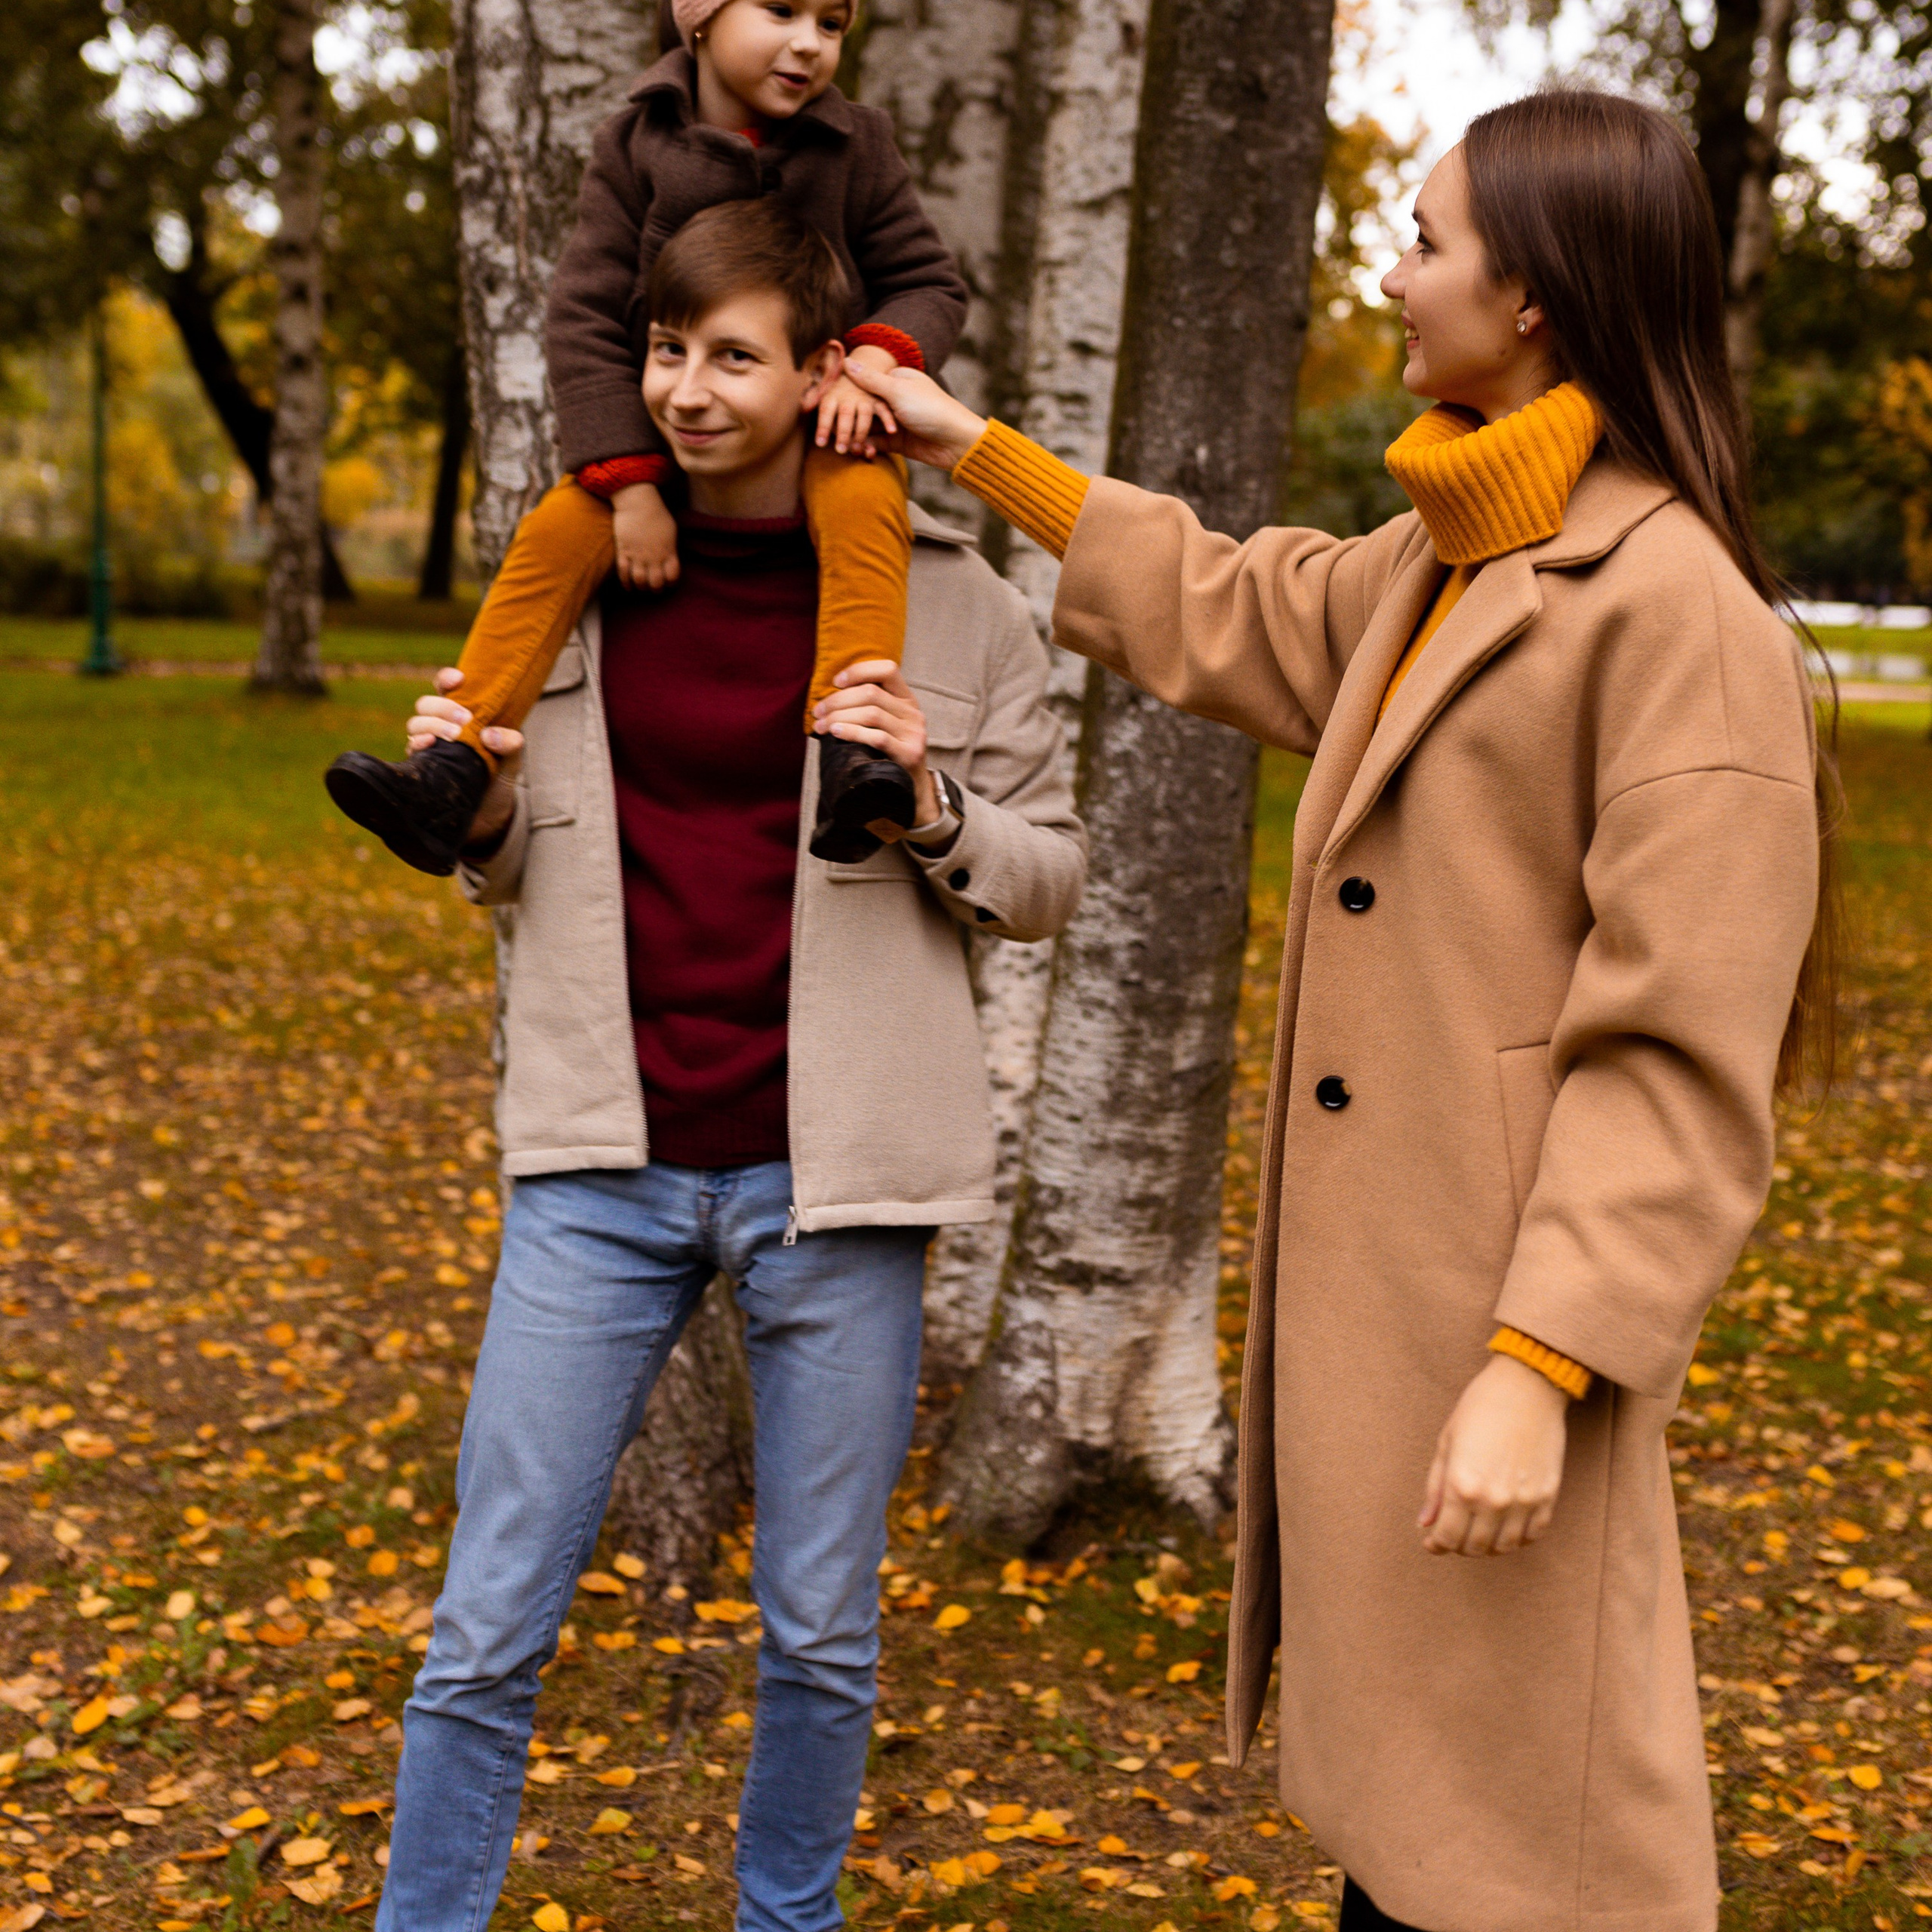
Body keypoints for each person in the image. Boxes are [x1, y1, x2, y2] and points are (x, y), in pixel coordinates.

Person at [852, 87, 1836, 1932]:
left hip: (1497, 1315)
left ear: (1529, 294)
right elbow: (1234, 599)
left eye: (1425, 240)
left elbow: (1677, 1057)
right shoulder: (1445, 549)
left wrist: (1540, 1362)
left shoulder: (1672, 615)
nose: (1387, 274)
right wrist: (967, 445)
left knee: (1539, 1835)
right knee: (1418, 1827)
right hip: (1403, 1309)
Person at [372, 198, 1086, 1932]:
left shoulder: (950, 604)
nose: (688, 390)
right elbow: (514, 860)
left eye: (733, 355)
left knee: (819, 1631)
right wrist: (460, 802)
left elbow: (1050, 875)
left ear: (821, 373)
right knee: (487, 1619)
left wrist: (925, 797)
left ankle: (788, 1915)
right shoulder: (587, 567)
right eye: (668, 351)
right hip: (594, 1166)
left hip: (833, 1178)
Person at [326, 0, 970, 877]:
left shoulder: (855, 144)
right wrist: (629, 484)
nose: (808, 43)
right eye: (780, 10)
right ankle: (456, 759)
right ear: (699, 16)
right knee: (555, 532)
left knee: (864, 505)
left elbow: (926, 280)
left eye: (831, 23)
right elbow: (585, 316)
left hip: (819, 418)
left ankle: (855, 750)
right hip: (656, 429)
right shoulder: (634, 146)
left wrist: (869, 365)